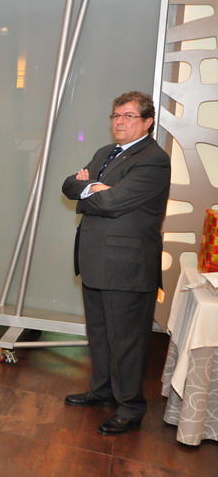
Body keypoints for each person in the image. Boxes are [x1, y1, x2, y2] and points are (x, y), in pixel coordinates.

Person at [61, 91, 170, 436]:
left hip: (126, 265)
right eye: (116, 116)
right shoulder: (105, 152)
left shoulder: (154, 159)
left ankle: (130, 408)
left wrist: (88, 188)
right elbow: (69, 185)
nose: (120, 122)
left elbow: (112, 203)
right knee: (99, 333)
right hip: (94, 259)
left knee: (126, 341)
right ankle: (103, 390)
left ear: (147, 122)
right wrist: (95, 187)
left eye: (128, 116)